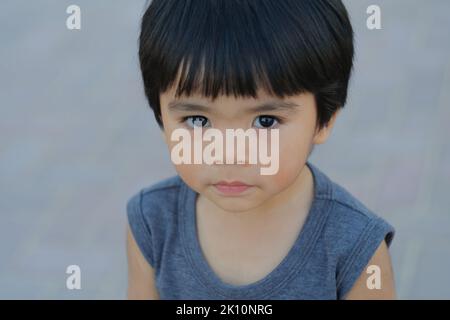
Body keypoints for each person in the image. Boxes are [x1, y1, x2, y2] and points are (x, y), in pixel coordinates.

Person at [126, 0, 395, 299]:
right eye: (198, 120)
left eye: (265, 121)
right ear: (163, 119)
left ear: (324, 119)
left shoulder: (355, 247)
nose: (229, 154)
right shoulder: (152, 223)